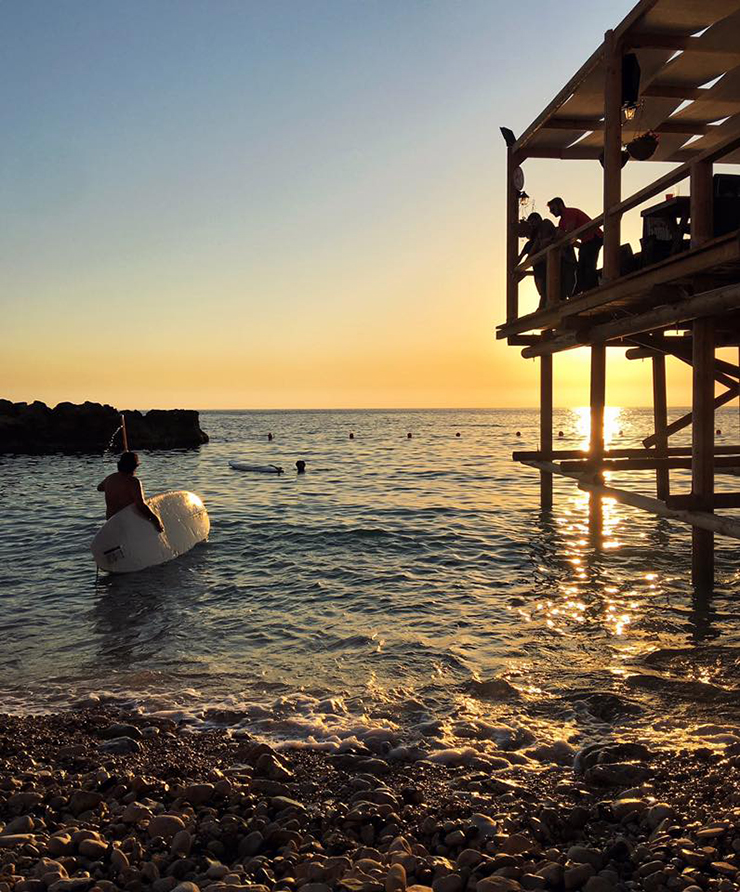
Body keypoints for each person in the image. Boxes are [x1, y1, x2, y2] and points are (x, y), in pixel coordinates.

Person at [547, 197, 603, 294]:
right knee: (581, 267)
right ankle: (580, 291)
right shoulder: (562, 221)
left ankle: (591, 290)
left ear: (560, 205)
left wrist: (557, 238)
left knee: (588, 265)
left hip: (594, 237)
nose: (551, 212)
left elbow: (569, 232)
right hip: (586, 241)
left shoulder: (569, 213)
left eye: (553, 209)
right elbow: (559, 236)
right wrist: (551, 240)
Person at [518, 213, 575, 307]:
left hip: (560, 262)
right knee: (548, 292)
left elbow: (544, 243)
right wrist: (522, 266)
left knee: (563, 289)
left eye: (533, 223)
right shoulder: (531, 241)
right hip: (545, 268)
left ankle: (549, 308)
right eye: (530, 224)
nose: (532, 225)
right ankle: (546, 308)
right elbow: (533, 248)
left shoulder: (545, 224)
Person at [97, 451, 163, 532]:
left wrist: (112, 486)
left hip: (110, 521)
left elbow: (99, 488)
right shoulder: (133, 482)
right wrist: (155, 520)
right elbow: (140, 505)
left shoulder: (110, 478)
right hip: (126, 523)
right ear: (135, 466)